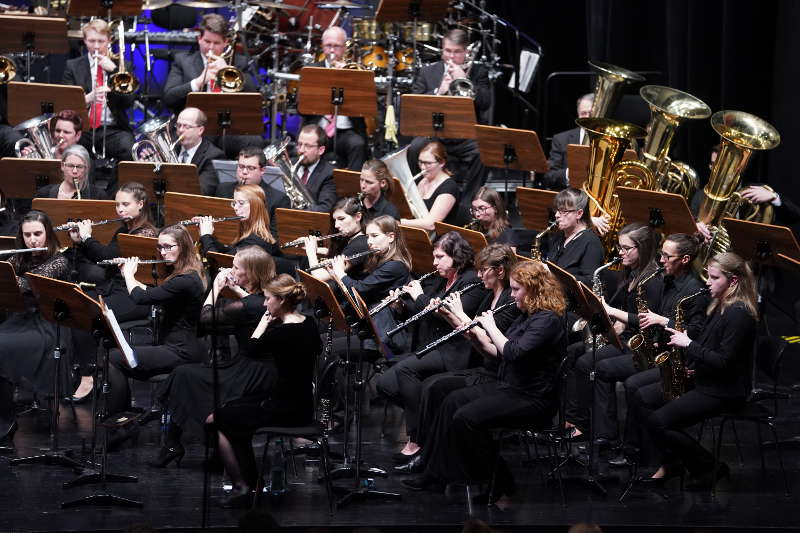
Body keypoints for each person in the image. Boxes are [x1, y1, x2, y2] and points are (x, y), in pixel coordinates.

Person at [401, 260, 566, 505]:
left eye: (517, 290)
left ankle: (499, 480)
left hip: (533, 398)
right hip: (510, 386)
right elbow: (497, 353)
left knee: (466, 419)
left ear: (534, 290)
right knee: (451, 400)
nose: (513, 295)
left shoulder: (548, 320)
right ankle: (436, 474)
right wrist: (474, 336)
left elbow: (513, 352)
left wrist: (489, 326)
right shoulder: (527, 316)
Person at [393, 244, 520, 474]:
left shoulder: (509, 304)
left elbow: (491, 342)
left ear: (500, 271)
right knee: (432, 386)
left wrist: (458, 313)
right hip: (482, 365)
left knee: (439, 389)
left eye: (484, 271)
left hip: (496, 373)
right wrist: (446, 313)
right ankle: (427, 453)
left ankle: (434, 460)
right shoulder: (489, 297)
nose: (479, 275)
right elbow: (471, 331)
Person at [636, 252, 757, 490]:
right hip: (707, 380)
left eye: (714, 278)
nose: (708, 283)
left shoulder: (738, 313)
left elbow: (724, 362)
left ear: (733, 281)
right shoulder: (720, 305)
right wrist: (693, 366)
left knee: (659, 422)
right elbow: (710, 347)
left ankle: (709, 466)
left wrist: (688, 344)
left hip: (724, 391)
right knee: (642, 397)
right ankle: (672, 463)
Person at [151, 246, 276, 467]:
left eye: (236, 268)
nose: (231, 270)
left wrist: (216, 288)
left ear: (251, 274)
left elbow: (206, 319)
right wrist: (237, 290)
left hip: (252, 372)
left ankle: (175, 444)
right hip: (256, 366)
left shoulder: (249, 305)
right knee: (189, 375)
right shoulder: (266, 297)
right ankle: (192, 445)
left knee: (183, 374)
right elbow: (251, 304)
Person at [211, 275, 322, 508]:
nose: (264, 304)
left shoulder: (280, 334)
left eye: (267, 299)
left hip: (284, 409)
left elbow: (249, 350)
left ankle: (245, 486)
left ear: (281, 300)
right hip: (301, 405)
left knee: (218, 419)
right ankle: (250, 483)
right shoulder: (310, 323)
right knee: (230, 410)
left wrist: (263, 324)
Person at [377, 231, 487, 461]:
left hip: (457, 350)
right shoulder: (439, 280)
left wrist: (418, 297)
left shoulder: (472, 282)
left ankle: (418, 437)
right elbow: (423, 313)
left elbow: (445, 314)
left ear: (457, 256)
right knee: (385, 383)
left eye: (440, 257)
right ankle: (431, 421)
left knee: (406, 370)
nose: (434, 263)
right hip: (431, 346)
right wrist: (401, 307)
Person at [608, 232, 710, 468]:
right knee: (633, 384)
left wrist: (662, 322)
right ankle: (635, 448)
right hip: (661, 352)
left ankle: (641, 451)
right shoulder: (667, 280)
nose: (661, 260)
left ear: (684, 259)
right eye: (661, 254)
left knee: (634, 386)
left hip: (682, 362)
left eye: (666, 256)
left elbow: (695, 332)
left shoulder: (695, 291)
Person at [568, 222, 662, 442]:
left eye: (626, 248)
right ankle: (577, 420)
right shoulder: (630, 274)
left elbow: (648, 322)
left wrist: (613, 314)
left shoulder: (653, 282)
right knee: (573, 353)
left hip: (639, 345)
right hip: (625, 336)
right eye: (620, 247)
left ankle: (601, 432)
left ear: (644, 248)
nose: (620, 253)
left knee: (589, 364)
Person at [66, 182, 159, 401]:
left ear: (141, 204)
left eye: (125, 204)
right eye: (118, 205)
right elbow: (105, 259)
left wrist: (88, 237)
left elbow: (104, 257)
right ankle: (89, 372)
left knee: (85, 311)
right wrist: (80, 242)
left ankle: (89, 377)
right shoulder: (125, 228)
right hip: (116, 291)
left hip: (135, 297)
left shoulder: (144, 233)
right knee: (76, 306)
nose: (120, 209)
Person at [105, 225, 207, 419]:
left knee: (113, 357)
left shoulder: (184, 280)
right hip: (179, 346)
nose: (163, 252)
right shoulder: (189, 274)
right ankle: (124, 414)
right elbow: (151, 293)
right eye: (160, 247)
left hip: (180, 351)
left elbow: (141, 298)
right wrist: (129, 275)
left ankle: (120, 417)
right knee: (115, 354)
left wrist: (129, 274)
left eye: (169, 247)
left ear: (184, 246)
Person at [0, 211, 70, 450]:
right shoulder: (17, 258)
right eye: (27, 235)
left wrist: (6, 274)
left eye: (38, 234)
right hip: (19, 320)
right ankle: (4, 415)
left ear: (48, 234)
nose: (33, 240)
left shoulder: (60, 261)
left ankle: (6, 421)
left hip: (48, 325)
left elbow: (31, 283)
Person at [406, 29, 491, 207]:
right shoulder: (428, 72)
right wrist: (440, 91)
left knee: (484, 152)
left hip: (464, 135)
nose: (451, 57)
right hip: (435, 134)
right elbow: (415, 104)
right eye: (447, 51)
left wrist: (465, 80)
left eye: (457, 52)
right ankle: (417, 198)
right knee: (415, 148)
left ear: (466, 51)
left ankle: (467, 204)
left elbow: (485, 103)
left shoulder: (478, 72)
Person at [162, 14, 262, 158]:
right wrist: (198, 82)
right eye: (207, 41)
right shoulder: (183, 61)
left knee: (255, 142)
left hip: (227, 129)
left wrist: (227, 69)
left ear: (225, 42)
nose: (210, 48)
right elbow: (168, 97)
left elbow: (254, 95)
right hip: (194, 129)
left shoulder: (239, 62)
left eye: (216, 43)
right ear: (199, 39)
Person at [328, 214, 413, 349]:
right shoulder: (377, 258)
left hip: (381, 335)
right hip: (368, 324)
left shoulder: (395, 266)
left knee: (330, 347)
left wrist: (340, 274)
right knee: (323, 339)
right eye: (367, 236)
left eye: (374, 236)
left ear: (391, 237)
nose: (369, 241)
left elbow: (359, 290)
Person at [62, 19, 135, 163]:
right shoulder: (72, 66)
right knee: (75, 156)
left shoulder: (122, 66)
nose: (96, 46)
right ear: (84, 40)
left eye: (101, 41)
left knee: (130, 150)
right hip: (83, 130)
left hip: (114, 129)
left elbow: (128, 102)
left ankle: (113, 187)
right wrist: (89, 98)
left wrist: (114, 72)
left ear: (109, 40)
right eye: (91, 41)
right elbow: (65, 105)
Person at [301, 26, 367, 171]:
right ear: (322, 47)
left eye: (336, 46)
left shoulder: (356, 72)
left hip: (346, 129)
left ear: (344, 48)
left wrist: (347, 77)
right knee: (308, 144)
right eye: (328, 46)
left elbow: (365, 107)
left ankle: (353, 186)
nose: (332, 51)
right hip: (319, 127)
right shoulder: (312, 70)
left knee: (358, 144)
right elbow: (302, 107)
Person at [214, 146, 291, 239]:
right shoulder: (223, 190)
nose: (244, 172)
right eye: (241, 167)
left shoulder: (279, 199)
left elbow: (275, 240)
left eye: (250, 168)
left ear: (262, 170)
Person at [198, 184, 280, 259]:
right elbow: (227, 252)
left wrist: (206, 236)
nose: (235, 208)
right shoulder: (248, 236)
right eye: (234, 203)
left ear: (256, 206)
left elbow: (219, 262)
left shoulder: (254, 243)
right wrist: (206, 233)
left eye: (241, 203)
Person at [303, 196, 369, 283]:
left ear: (357, 217)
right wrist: (313, 247)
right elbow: (340, 255)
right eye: (335, 220)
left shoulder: (359, 245)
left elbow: (319, 276)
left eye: (341, 219)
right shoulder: (349, 237)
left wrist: (311, 252)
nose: (336, 225)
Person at [546, 188, 604, 285]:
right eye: (556, 210)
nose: (556, 215)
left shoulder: (591, 243)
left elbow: (591, 282)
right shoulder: (559, 236)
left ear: (579, 213)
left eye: (563, 211)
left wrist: (555, 276)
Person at [400, 140, 460, 230]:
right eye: (420, 162)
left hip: (440, 239)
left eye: (428, 163)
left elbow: (431, 224)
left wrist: (398, 222)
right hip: (418, 233)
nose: (423, 167)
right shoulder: (420, 180)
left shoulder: (449, 187)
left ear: (442, 163)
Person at [542, 93, 594, 190]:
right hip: (570, 197)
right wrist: (569, 173)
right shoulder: (561, 139)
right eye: (583, 113)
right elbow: (550, 176)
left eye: (591, 113)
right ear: (578, 115)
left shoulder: (609, 139)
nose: (587, 117)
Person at [174, 107, 225, 196]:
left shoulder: (214, 156)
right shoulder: (171, 148)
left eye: (186, 126)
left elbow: (202, 191)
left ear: (200, 130)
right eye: (178, 125)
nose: (181, 130)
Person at [36, 144, 108, 199]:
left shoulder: (98, 196)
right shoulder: (44, 194)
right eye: (70, 166)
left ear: (87, 169)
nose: (75, 171)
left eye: (80, 166)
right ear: (62, 166)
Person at [294, 124, 337, 212]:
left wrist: (293, 211)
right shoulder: (290, 165)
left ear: (321, 150)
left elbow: (325, 209)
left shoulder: (330, 174)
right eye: (299, 144)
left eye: (308, 146)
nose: (301, 150)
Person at [18, 109, 84, 160]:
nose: (60, 135)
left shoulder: (83, 160)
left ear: (78, 135)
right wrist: (25, 162)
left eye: (66, 132)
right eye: (58, 131)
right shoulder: (41, 153)